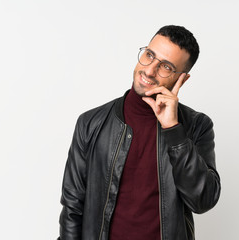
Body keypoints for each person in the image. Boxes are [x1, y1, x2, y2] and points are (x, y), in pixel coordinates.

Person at [58, 25, 221, 240]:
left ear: (183, 78)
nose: (150, 71)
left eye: (166, 66)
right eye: (149, 55)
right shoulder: (91, 123)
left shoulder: (196, 126)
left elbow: (203, 200)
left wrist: (173, 130)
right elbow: (72, 206)